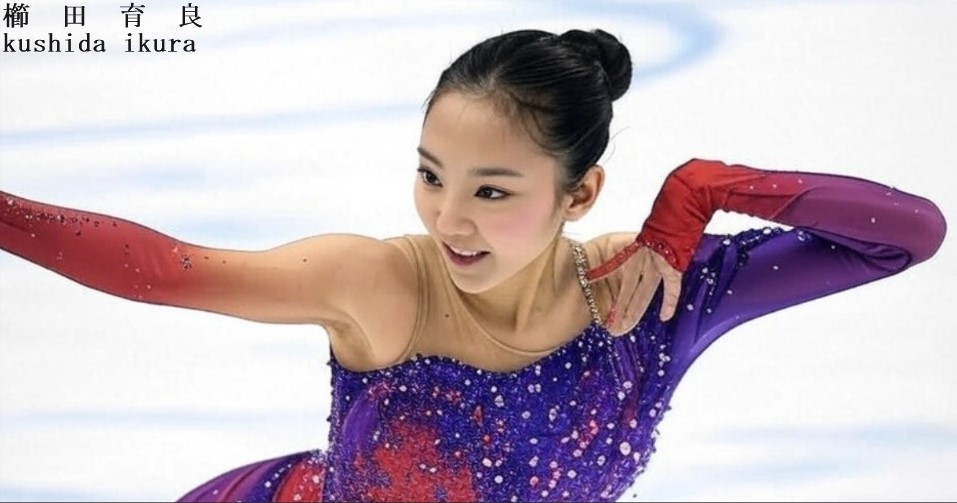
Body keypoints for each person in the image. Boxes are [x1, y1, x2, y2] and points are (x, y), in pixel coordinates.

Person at [0, 27, 946, 502]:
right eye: (429, 174)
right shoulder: (380, 284)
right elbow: (166, 268)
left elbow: (905, 233)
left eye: (491, 190)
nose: (447, 217)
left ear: (580, 194)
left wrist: (702, 188)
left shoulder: (648, 296)